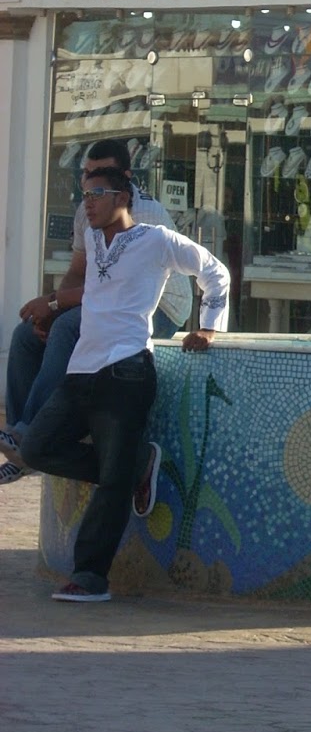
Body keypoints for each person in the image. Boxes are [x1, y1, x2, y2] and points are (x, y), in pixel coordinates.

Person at [18, 165, 230, 602]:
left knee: (113, 481)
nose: (88, 204)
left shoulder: (156, 240)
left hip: (126, 370)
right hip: (82, 370)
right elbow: (97, 293)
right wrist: (53, 307)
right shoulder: (95, 242)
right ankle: (134, 467)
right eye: (84, 196)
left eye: (96, 194)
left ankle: (90, 577)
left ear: (123, 197)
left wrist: (209, 327)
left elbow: (215, 271)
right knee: (36, 447)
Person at [0, 140, 191, 485]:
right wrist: (50, 311)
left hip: (160, 307)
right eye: (87, 174)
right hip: (111, 302)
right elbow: (79, 272)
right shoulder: (88, 209)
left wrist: (56, 304)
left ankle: (29, 435)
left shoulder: (140, 214)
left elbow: (116, 288)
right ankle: (20, 438)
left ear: (124, 180)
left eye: (101, 176)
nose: (91, 183)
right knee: (27, 334)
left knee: (68, 327)